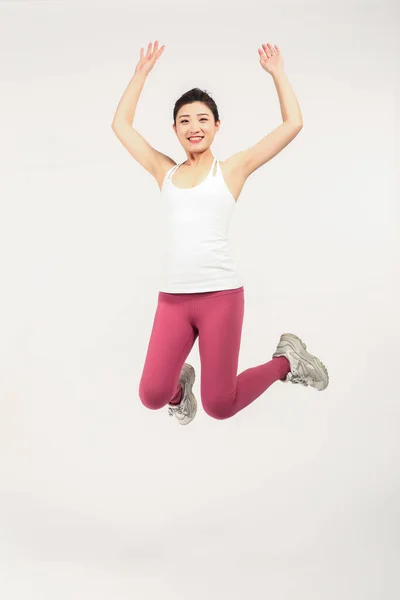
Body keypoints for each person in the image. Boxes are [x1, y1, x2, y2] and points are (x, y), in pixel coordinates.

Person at [111, 41, 329, 426]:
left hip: (220, 297)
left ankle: (287, 361)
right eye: (184, 120)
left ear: (216, 125)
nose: (193, 127)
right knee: (152, 395)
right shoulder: (166, 172)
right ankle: (180, 387)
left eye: (202, 119)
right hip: (173, 300)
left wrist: (278, 73)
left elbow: (293, 123)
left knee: (220, 405)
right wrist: (140, 74)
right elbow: (121, 126)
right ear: (175, 129)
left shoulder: (232, 170)